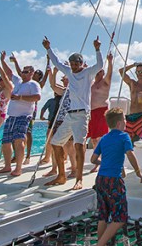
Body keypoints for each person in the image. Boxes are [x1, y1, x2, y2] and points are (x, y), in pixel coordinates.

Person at [44, 35, 103, 190]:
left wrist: (97, 49)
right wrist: (48, 48)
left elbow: (100, 65)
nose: (73, 66)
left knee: (78, 146)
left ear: (81, 63)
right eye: (71, 64)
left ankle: (79, 179)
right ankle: (61, 176)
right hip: (70, 115)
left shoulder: (88, 73)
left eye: (76, 63)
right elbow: (56, 61)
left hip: (82, 114)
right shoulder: (69, 72)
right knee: (55, 143)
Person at [90, 107, 142, 246]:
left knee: (103, 215)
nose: (126, 122)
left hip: (101, 179)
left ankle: (100, 242)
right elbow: (130, 154)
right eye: (124, 119)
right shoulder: (124, 136)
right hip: (114, 180)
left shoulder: (104, 138)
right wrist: (138, 170)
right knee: (120, 218)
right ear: (120, 123)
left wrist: (105, 162)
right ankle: (100, 244)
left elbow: (93, 159)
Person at [0, 62, 41, 176]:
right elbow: (9, 73)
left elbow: (37, 97)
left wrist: (20, 97)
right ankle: (7, 166)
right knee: (6, 141)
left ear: (31, 73)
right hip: (11, 116)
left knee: (19, 140)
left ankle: (18, 168)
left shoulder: (33, 84)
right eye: (22, 72)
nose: (23, 73)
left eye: (26, 72)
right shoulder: (18, 82)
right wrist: (0, 61)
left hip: (24, 116)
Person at [10, 53, 50, 165]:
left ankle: (27, 156)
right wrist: (16, 61)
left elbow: (47, 72)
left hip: (32, 108)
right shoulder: (26, 81)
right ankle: (17, 155)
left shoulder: (39, 84)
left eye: (37, 73)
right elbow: (19, 73)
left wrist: (48, 60)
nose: (35, 73)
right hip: (20, 107)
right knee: (18, 133)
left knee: (28, 131)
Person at [118, 62, 142, 143]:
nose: (139, 74)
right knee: (124, 143)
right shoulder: (132, 83)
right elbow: (121, 71)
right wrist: (133, 65)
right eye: (137, 72)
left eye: (141, 72)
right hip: (131, 117)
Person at [88, 52, 114, 171]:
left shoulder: (105, 82)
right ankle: (97, 162)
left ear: (102, 73)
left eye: (100, 72)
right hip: (92, 112)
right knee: (93, 139)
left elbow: (110, 73)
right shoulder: (92, 84)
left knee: (102, 138)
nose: (98, 74)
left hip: (102, 111)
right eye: (96, 72)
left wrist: (109, 61)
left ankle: (105, 160)